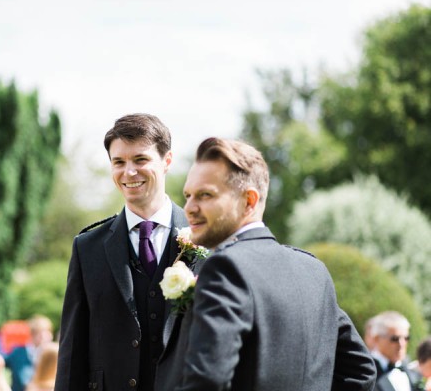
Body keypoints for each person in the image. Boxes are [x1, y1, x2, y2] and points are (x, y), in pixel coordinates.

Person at [155, 137, 377, 390]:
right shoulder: (314, 270)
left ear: (249, 201)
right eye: (188, 195)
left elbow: (207, 381)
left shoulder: (225, 268)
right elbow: (361, 372)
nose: (190, 207)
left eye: (205, 195)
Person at [55, 113, 193, 391]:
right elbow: (73, 349)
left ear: (166, 161)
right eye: (119, 162)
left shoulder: (207, 240)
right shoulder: (87, 247)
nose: (129, 172)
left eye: (140, 160)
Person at [368, 311, 421, 391]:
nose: (402, 344)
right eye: (395, 339)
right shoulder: (366, 369)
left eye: (406, 338)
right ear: (377, 339)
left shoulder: (408, 364)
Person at [6, 315, 54, 391]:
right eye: (39, 333)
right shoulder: (18, 353)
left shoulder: (53, 354)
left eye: (48, 332)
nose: (45, 336)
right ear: (31, 335)